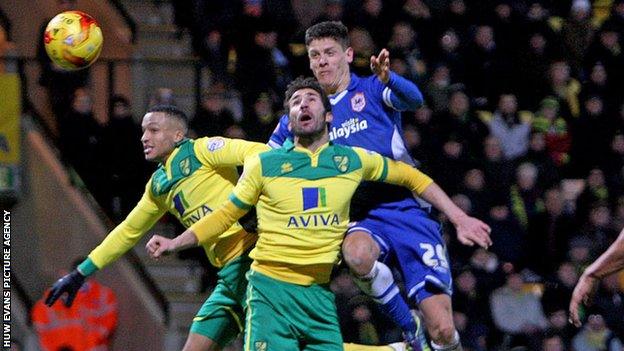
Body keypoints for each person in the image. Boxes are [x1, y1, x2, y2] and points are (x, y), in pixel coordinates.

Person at [146, 77, 491, 351]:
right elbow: (225, 214)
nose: (302, 105)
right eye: (295, 102)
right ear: (290, 119)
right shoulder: (266, 164)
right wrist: (177, 242)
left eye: (311, 99)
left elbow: (411, 175)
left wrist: (458, 217)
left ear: (328, 115)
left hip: (318, 296)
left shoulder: (351, 160)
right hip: (270, 291)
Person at [44, 105, 402, 351]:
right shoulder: (159, 186)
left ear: (178, 134)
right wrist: (81, 272)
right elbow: (127, 232)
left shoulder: (203, 150)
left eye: (153, 129)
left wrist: (250, 201)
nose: (144, 137)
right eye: (142, 131)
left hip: (256, 263)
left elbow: (260, 154)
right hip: (228, 278)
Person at [268, 21, 493, 350]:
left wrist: (391, 79)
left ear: (347, 54)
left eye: (329, 53)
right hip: (362, 215)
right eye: (315, 56)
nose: (322, 61)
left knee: (443, 330)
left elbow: (414, 100)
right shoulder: (307, 111)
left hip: (407, 209)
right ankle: (408, 323)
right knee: (356, 255)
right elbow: (265, 161)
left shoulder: (371, 89)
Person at [32, 258, 118, 351]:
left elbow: (108, 324)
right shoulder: (47, 303)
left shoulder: (102, 295)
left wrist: (95, 339)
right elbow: (42, 331)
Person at [569, 227, 624, 327]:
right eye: (610, 277)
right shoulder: (597, 299)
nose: (613, 280)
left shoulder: (620, 296)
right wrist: (589, 275)